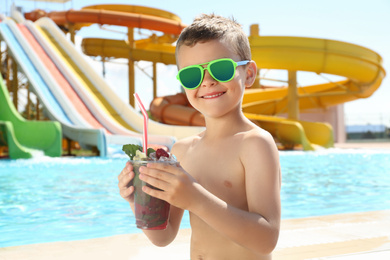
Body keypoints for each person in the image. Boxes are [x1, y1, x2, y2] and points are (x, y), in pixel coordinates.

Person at [118, 13, 281, 260]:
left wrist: (195, 198)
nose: (207, 81)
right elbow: (164, 236)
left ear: (248, 74)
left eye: (221, 69)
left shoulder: (255, 144)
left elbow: (266, 239)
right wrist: (138, 201)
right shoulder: (183, 151)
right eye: (192, 75)